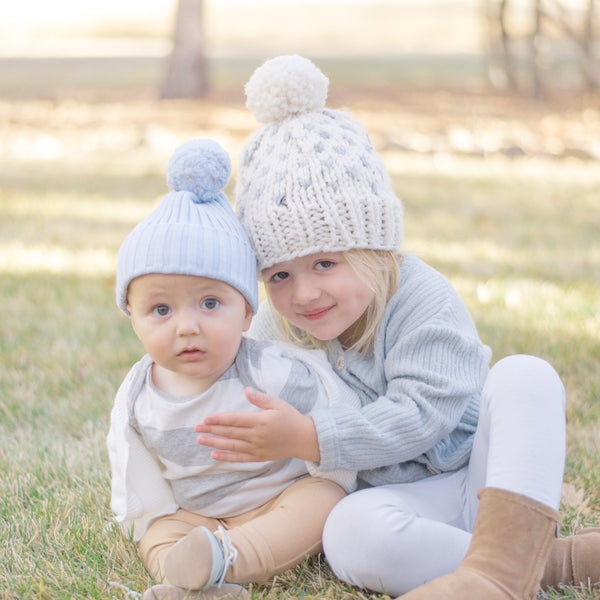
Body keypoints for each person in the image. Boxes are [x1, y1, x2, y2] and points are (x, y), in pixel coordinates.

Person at [194, 55, 600, 599]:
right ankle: (542, 564)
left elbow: (424, 415)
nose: (305, 293)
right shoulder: (274, 326)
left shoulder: (419, 296)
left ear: (376, 249)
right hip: (402, 501)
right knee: (349, 535)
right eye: (279, 275)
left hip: (480, 475)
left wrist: (313, 437)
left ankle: (497, 575)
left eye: (325, 263)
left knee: (526, 375)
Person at [106, 138, 361, 600]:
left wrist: (312, 440)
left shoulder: (269, 371)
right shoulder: (138, 393)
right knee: (158, 531)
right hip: (197, 513)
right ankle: (184, 575)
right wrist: (149, 514)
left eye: (210, 303)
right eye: (160, 309)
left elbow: (332, 424)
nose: (187, 327)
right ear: (133, 318)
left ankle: (227, 561)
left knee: (323, 502)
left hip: (276, 500)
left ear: (246, 314)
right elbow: (134, 468)